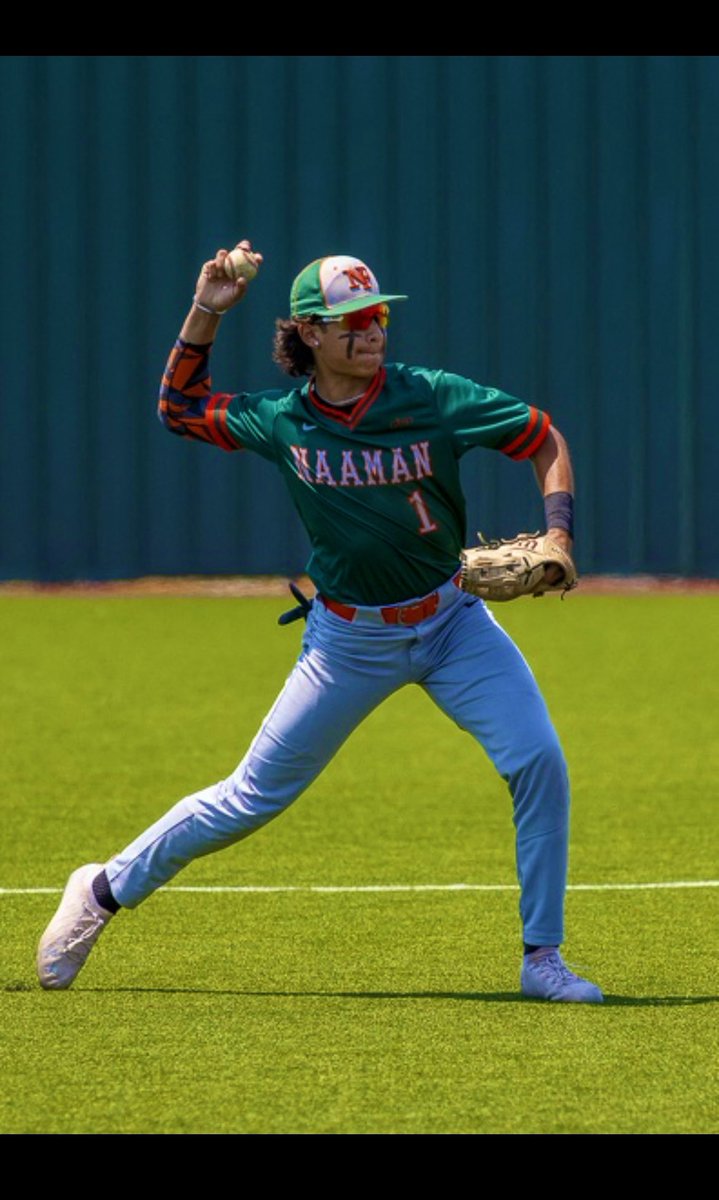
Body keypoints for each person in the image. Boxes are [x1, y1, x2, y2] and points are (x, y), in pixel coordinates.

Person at [37, 242, 603, 1003]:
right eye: (353, 320)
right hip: (348, 641)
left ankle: (542, 960)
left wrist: (559, 534)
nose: (373, 330)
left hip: (451, 622)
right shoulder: (281, 420)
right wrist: (207, 308)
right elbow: (177, 409)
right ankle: (100, 892)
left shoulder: (429, 396)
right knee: (249, 799)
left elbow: (540, 437)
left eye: (378, 315)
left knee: (538, 761)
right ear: (308, 332)